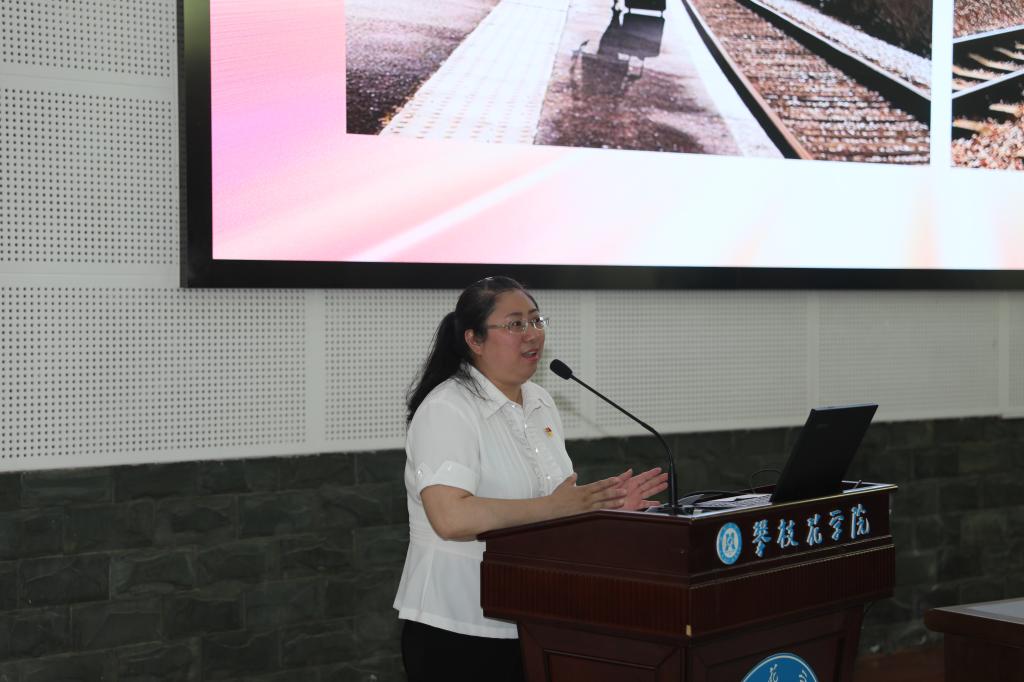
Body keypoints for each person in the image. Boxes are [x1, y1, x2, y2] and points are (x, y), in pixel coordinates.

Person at [394, 276, 669, 682]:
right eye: (515, 324)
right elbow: (451, 518)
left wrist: (601, 507)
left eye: (536, 320)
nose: (532, 334)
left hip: (533, 617)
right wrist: (556, 507)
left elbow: (550, 510)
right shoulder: (448, 408)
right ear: (474, 339)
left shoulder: (540, 401)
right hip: (458, 626)